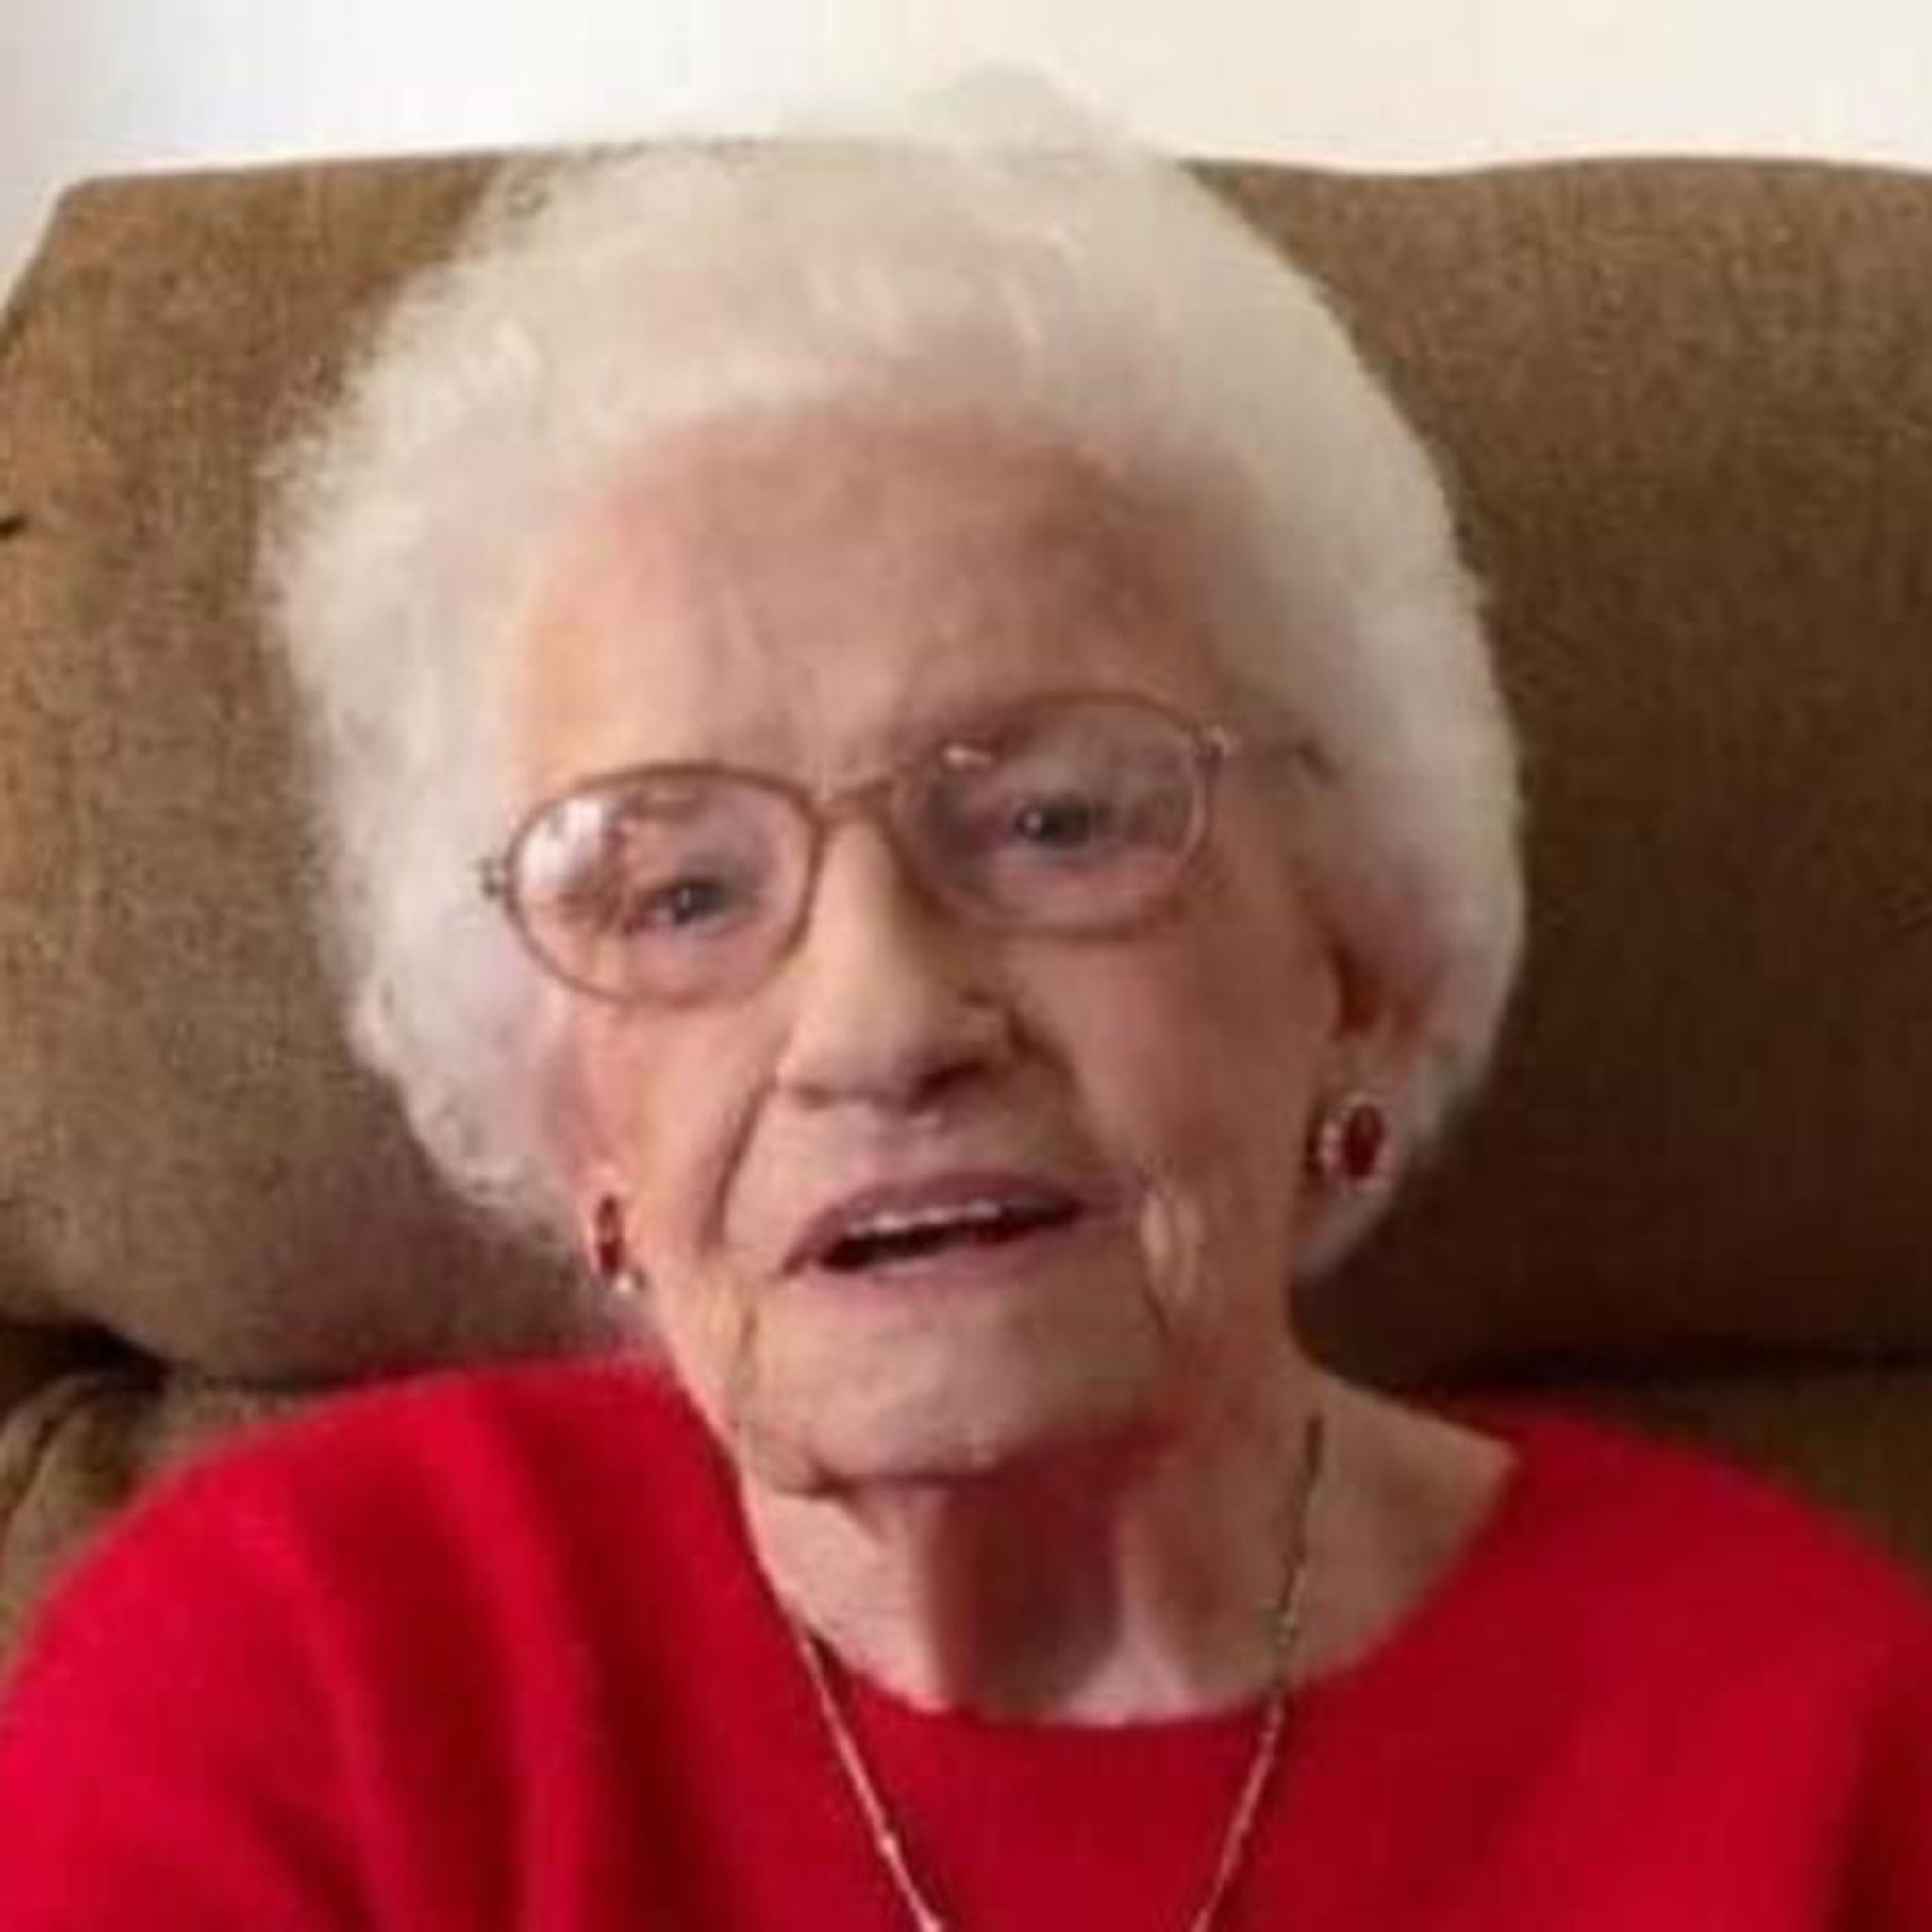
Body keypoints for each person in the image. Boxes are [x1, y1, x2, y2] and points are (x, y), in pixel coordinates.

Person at [0, 108, 1926, 1932]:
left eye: (1052, 823)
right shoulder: (295, 1689)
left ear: (1353, 956)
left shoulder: (1812, 1758)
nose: (879, 1022)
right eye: (681, 893)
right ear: (578, 1125)